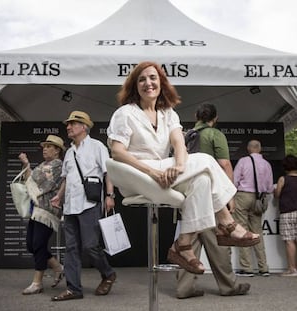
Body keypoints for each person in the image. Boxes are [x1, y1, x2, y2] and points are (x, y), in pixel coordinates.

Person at [106, 61, 260, 275]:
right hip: (138, 176)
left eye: (152, 78)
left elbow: (179, 143)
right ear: (135, 86)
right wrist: (154, 172)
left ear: (161, 83)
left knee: (202, 181)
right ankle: (226, 222)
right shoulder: (125, 113)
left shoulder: (168, 113)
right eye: (141, 79)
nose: (148, 83)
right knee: (206, 159)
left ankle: (183, 244)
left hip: (165, 174)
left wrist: (178, 167)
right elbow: (117, 152)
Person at [176, 103, 250, 298]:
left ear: (196, 116)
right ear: (215, 118)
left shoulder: (186, 136)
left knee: (189, 242)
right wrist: (229, 195)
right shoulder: (215, 135)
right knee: (218, 242)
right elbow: (224, 164)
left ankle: (184, 288)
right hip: (210, 194)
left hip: (188, 191)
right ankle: (229, 286)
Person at [51, 111, 116, 301]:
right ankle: (73, 289)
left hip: (89, 204)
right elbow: (66, 179)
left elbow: (108, 172)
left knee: (90, 246)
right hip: (70, 206)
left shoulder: (97, 146)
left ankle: (108, 273)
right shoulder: (69, 152)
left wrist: (110, 195)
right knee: (71, 248)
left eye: (72, 124)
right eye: (68, 124)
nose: (68, 127)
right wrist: (59, 196)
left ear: (84, 127)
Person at [18, 135, 66, 295]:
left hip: (47, 211)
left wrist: (28, 168)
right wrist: (26, 165)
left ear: (57, 150)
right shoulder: (42, 165)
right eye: (44, 146)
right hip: (36, 211)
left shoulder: (58, 165)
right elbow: (29, 180)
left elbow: (36, 182)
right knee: (31, 245)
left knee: (38, 244)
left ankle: (37, 282)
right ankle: (57, 267)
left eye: (49, 146)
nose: (44, 149)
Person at [233, 140, 274, 277]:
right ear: (260, 149)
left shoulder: (243, 161)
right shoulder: (267, 165)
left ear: (248, 148)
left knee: (242, 231)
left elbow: (234, 181)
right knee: (258, 232)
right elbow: (269, 188)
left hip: (243, 197)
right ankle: (263, 268)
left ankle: (247, 268)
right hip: (259, 199)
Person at [274, 155, 297, 277]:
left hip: (287, 212)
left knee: (289, 241)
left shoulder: (283, 179)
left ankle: (292, 269)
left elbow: (277, 194)